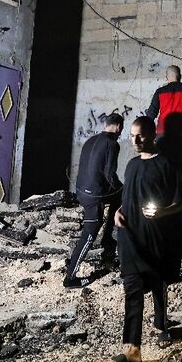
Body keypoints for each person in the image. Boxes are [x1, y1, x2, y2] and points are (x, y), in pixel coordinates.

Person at [109, 116, 182, 362]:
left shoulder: (166, 164)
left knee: (157, 282)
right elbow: (128, 196)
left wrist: (163, 212)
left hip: (154, 239)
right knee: (132, 292)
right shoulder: (130, 165)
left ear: (152, 134)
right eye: (132, 136)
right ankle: (132, 350)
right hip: (129, 239)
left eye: (140, 135)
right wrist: (119, 211)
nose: (135, 140)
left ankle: (162, 324)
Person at [64, 113, 123, 289]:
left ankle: (108, 237)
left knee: (117, 196)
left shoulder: (91, 140)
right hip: (94, 196)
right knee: (89, 234)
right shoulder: (113, 144)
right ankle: (70, 278)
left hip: (81, 190)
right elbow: (109, 175)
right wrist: (123, 188)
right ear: (118, 127)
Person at [146, 65, 182, 140]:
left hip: (163, 133)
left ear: (166, 77)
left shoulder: (160, 92)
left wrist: (146, 132)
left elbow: (151, 113)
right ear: (180, 76)